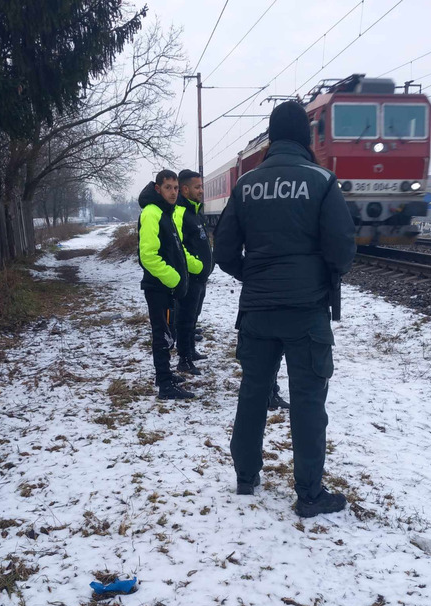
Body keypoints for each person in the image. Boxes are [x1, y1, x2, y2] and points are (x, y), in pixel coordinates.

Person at [213, 101, 356, 517]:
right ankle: (309, 494)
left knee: (253, 392)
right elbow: (342, 248)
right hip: (307, 311)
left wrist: (254, 276)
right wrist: (320, 278)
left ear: (272, 138)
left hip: (257, 311)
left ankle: (245, 478)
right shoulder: (323, 182)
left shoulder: (246, 185)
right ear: (306, 137)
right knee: (308, 401)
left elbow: (223, 250)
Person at [137, 170, 195, 400]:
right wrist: (175, 278)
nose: (173, 192)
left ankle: (165, 374)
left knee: (167, 334)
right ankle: (165, 385)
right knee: (162, 335)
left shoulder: (165, 212)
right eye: (168, 187)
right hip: (158, 287)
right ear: (157, 188)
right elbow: (148, 255)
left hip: (166, 288)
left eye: (176, 188)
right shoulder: (152, 213)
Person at [171, 169, 212, 374]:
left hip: (199, 278)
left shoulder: (195, 212)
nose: (201, 191)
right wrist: (196, 266)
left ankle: (191, 350)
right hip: (190, 278)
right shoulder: (180, 213)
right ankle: (184, 359)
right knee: (185, 319)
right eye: (198, 187)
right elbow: (177, 246)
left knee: (193, 317)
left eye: (202, 186)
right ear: (185, 189)